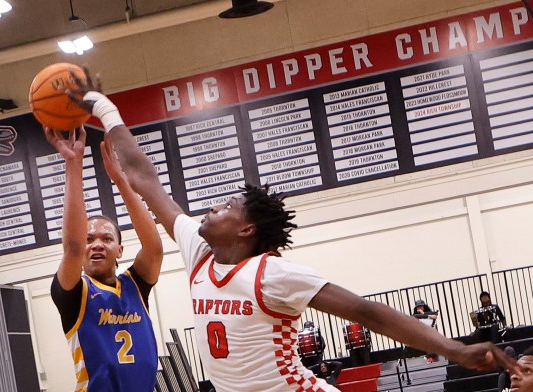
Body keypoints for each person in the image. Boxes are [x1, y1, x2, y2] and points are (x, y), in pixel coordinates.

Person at [67, 68, 519, 392]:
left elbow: (368, 312)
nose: (211, 208)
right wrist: (104, 109)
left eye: (225, 206)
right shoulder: (198, 252)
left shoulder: (272, 275)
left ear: (245, 230)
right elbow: (145, 178)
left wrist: (454, 349)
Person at [47, 126, 163, 391]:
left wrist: (122, 181)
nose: (97, 244)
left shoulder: (135, 286)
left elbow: (154, 247)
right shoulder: (74, 293)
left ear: (120, 250)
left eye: (107, 238)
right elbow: (73, 247)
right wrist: (73, 165)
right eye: (90, 239)